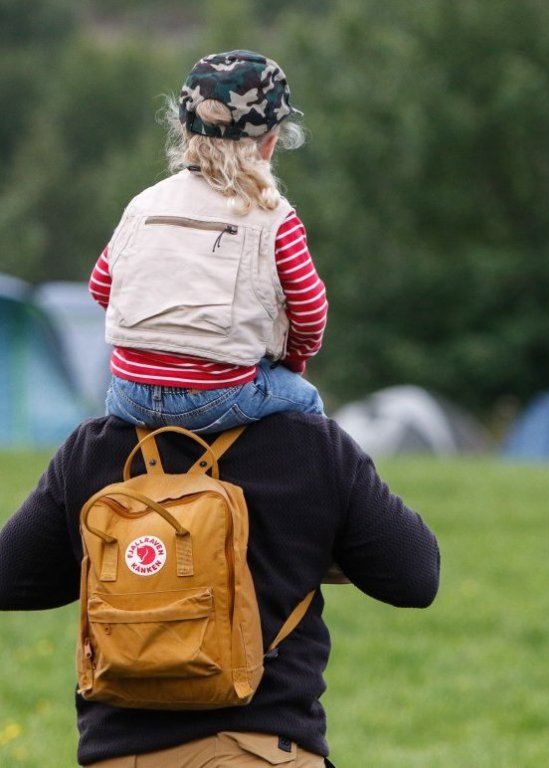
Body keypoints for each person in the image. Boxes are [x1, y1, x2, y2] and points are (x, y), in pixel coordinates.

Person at [0, 413, 441, 766]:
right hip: (259, 750)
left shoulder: (92, 449)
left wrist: (122, 567)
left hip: (117, 754)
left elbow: (10, 577)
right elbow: (416, 578)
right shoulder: (309, 444)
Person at [89, 50, 328, 434]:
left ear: (185, 132)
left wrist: (157, 338)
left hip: (127, 393)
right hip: (218, 394)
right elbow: (311, 312)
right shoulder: (274, 218)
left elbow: (101, 287)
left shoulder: (144, 204)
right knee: (306, 405)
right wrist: (292, 362)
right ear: (269, 144)